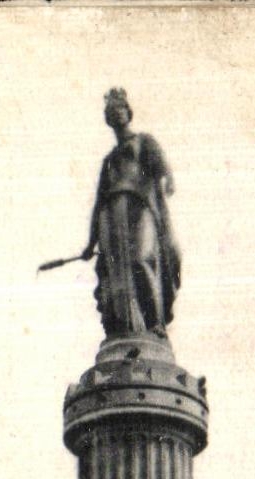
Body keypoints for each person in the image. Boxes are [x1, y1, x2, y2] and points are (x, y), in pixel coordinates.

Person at [83, 87, 180, 339]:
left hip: (139, 209)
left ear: (128, 112)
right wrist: (91, 242)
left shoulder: (143, 142)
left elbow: (162, 166)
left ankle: (155, 322)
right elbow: (98, 201)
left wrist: (168, 178)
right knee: (117, 273)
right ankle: (124, 328)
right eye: (110, 111)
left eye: (119, 109)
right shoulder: (109, 160)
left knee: (141, 260)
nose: (116, 114)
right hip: (111, 215)